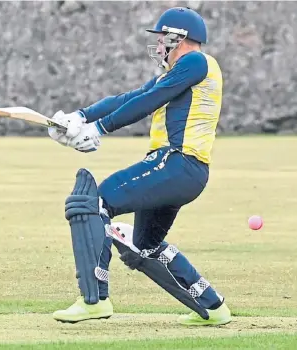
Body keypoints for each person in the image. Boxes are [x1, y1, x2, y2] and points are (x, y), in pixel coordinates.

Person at [48, 6, 231, 326]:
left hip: (177, 161)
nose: (158, 46)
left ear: (179, 38)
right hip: (184, 171)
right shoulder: (183, 70)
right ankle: (212, 306)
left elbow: (151, 100)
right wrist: (80, 117)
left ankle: (95, 298)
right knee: (145, 245)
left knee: (95, 202)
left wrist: (99, 128)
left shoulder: (195, 62)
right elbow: (130, 98)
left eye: (162, 38)